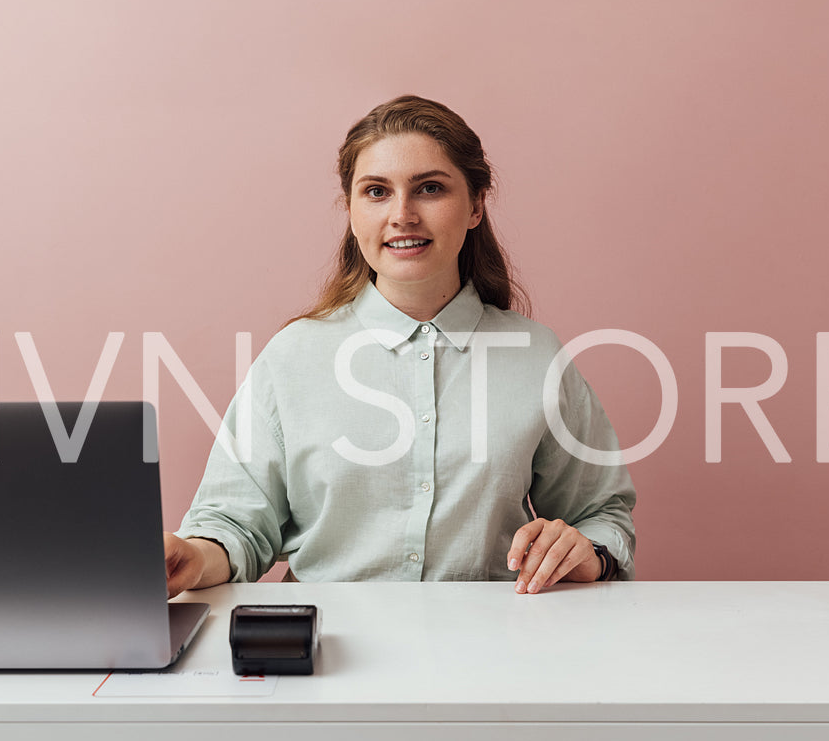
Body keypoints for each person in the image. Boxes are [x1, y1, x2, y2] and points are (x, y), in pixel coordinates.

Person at [164, 95, 636, 596]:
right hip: (329, 650)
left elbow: (602, 516)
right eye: (376, 192)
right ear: (350, 209)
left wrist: (589, 551)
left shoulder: (537, 356)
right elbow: (236, 525)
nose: (402, 214)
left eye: (430, 188)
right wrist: (191, 558)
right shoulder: (292, 357)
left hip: (495, 653)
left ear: (476, 205)